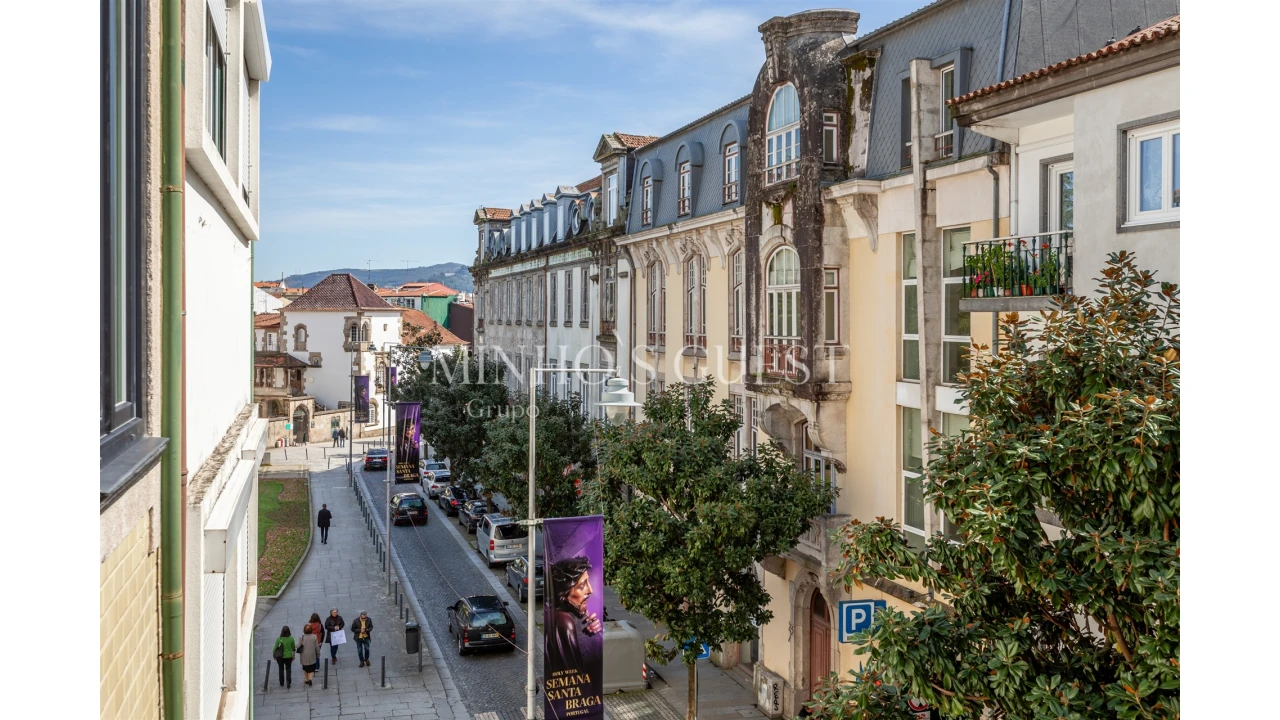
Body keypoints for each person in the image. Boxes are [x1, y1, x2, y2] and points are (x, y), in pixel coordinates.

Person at [545, 556, 603, 703]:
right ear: (564, 595)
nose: (590, 590)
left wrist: (592, 632)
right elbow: (574, 677)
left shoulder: (574, 617)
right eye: (582, 585)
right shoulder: (564, 622)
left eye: (588, 582)